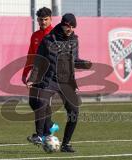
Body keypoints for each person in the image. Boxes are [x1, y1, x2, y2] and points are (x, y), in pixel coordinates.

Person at [27, 13, 92, 152]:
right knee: (41, 103)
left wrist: (84, 64)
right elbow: (38, 60)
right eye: (69, 27)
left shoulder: (74, 40)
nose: (71, 30)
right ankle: (39, 135)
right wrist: (32, 79)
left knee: (74, 111)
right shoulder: (48, 40)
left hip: (67, 81)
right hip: (49, 79)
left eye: (73, 28)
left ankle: (66, 144)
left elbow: (74, 60)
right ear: (63, 25)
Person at [22, 7, 59, 145]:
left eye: (46, 19)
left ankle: (40, 135)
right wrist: (26, 72)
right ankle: (50, 125)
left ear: (50, 19)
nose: (43, 22)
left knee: (41, 103)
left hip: (50, 75)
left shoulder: (56, 35)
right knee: (33, 102)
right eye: (41, 19)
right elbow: (31, 56)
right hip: (36, 74)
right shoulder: (35, 35)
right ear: (37, 20)